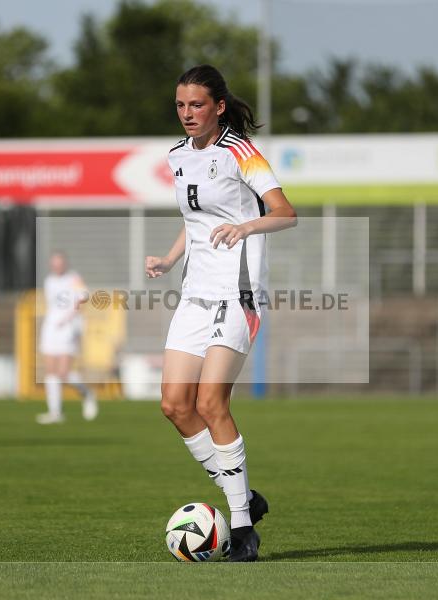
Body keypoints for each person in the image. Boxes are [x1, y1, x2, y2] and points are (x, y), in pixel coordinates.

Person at [145, 65, 297, 561]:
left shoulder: (241, 153)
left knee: (212, 402)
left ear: (219, 107)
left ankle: (243, 528)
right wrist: (170, 259)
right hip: (194, 292)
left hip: (239, 290)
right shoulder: (177, 156)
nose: (188, 114)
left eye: (197, 105)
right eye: (181, 106)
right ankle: (245, 498)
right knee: (174, 405)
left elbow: (284, 212)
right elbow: (196, 220)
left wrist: (246, 228)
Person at [36, 251, 98, 424]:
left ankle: (87, 394)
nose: (57, 266)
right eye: (54, 263)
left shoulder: (73, 278)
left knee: (63, 373)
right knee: (50, 373)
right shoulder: (48, 280)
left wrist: (73, 314)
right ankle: (55, 413)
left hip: (68, 327)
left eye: (60, 262)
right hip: (51, 327)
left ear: (65, 264)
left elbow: (84, 296)